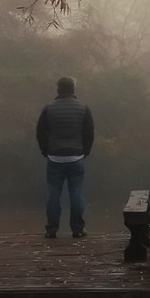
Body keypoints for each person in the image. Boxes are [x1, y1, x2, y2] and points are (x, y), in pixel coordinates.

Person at [35, 76, 94, 238]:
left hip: (54, 157)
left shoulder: (49, 108)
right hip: (76, 156)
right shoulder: (83, 108)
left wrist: (45, 151)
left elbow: (40, 133)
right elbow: (89, 133)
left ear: (58, 89)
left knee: (53, 194)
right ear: (73, 89)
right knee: (76, 193)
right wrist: (85, 152)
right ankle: (78, 229)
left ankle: (52, 230)